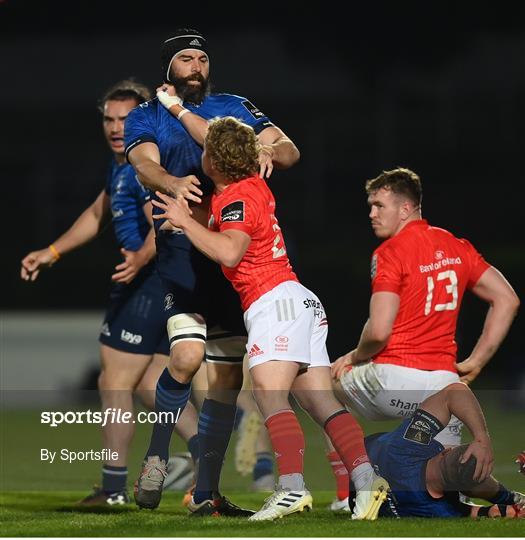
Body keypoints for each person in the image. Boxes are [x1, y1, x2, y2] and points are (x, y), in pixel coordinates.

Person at [151, 115, 390, 522]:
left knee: (269, 395)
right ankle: (367, 482)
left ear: (216, 163)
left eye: (207, 151)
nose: (202, 154)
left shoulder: (236, 199)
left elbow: (229, 252)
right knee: (321, 403)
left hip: (273, 302)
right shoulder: (253, 185)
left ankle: (291, 488)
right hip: (298, 300)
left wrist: (184, 222)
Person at [124, 28, 300, 516]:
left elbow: (288, 151)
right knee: (184, 357)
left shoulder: (234, 107)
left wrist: (270, 148)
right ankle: (158, 455)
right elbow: (143, 163)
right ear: (168, 68)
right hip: (182, 245)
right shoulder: (149, 114)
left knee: (224, 383)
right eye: (185, 58)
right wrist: (171, 181)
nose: (196, 65)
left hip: (231, 253)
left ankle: (206, 493)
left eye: (202, 58)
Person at [20, 79, 200, 505]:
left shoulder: (146, 162)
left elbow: (170, 215)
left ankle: (114, 488)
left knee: (114, 380)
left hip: (150, 283)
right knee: (151, 386)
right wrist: (52, 251)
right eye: (109, 118)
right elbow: (99, 210)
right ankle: (206, 457)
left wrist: (141, 255)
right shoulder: (122, 164)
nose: (117, 126)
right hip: (157, 283)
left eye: (126, 118)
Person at [328, 167, 520, 508]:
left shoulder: (391, 251)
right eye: (370, 206)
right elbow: (508, 299)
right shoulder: (456, 245)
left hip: (393, 378)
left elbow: (378, 331)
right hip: (444, 388)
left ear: (405, 209)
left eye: (379, 205)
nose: (371, 213)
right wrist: (476, 361)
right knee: (454, 474)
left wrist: (352, 358)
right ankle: (510, 500)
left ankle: (348, 495)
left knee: (321, 387)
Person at [356, 382, 524, 518]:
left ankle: (512, 499)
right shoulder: (437, 508)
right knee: (473, 471)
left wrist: (482, 440)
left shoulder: (407, 445)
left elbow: (454, 391)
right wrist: (502, 509)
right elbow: (470, 511)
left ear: (446, 452)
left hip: (360, 465)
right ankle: (513, 498)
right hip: (363, 478)